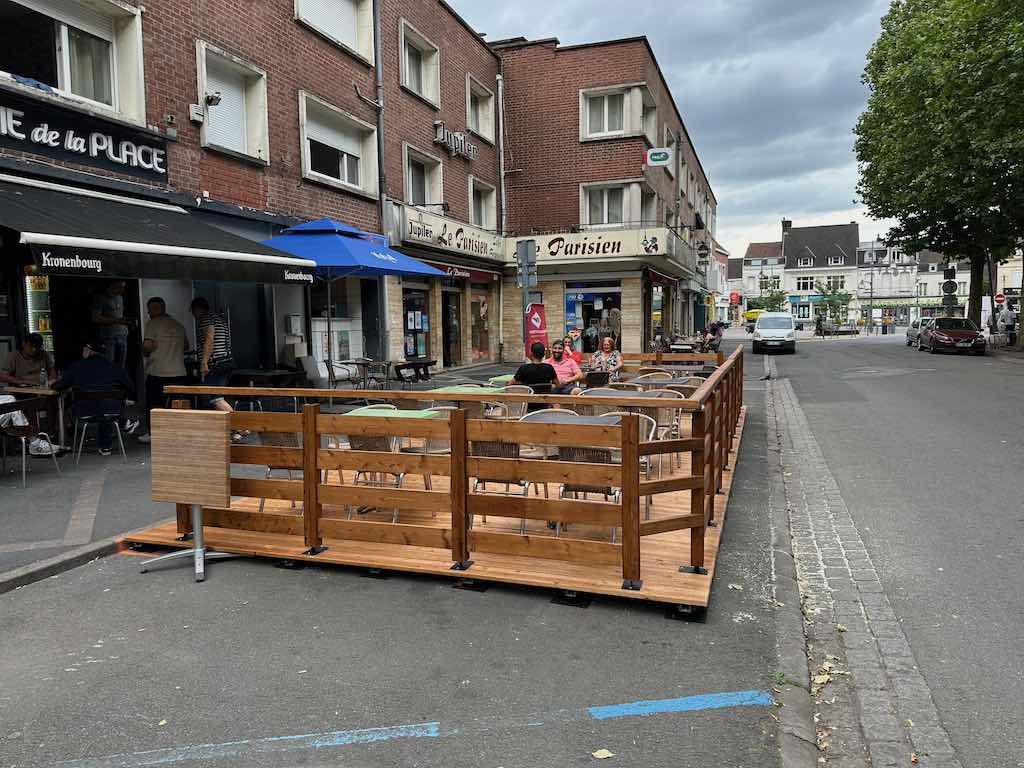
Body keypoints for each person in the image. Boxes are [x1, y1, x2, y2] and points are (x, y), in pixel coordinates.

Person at [52, 341, 134, 456]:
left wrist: (51, 383)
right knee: (105, 410)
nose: (82, 352)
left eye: (84, 349)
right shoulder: (114, 367)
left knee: (99, 407)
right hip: (112, 411)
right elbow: (130, 386)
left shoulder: (77, 366)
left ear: (89, 351)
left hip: (84, 411)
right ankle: (106, 447)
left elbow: (59, 386)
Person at [137, 297, 188, 444]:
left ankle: (154, 434)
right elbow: (186, 347)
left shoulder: (153, 323)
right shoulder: (178, 325)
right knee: (177, 405)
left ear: (155, 309)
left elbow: (147, 346)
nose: (148, 312)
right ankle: (177, 433)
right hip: (179, 372)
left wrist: (147, 351)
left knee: (154, 405)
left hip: (158, 372)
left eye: (149, 309)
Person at [190, 297, 236, 424]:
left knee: (216, 399)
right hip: (226, 361)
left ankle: (239, 427)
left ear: (196, 309)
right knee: (218, 397)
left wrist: (204, 362)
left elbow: (209, 339)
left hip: (215, 363)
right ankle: (229, 430)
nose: (193, 315)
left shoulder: (205, 319)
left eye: (192, 311)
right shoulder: (219, 319)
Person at [92, 280, 132, 369]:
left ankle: (120, 382)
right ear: (112, 285)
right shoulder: (100, 297)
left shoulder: (120, 298)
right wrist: (117, 321)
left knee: (121, 366)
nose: (122, 289)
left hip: (122, 335)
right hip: (108, 337)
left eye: (123, 287)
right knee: (108, 365)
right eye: (120, 287)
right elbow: (95, 318)